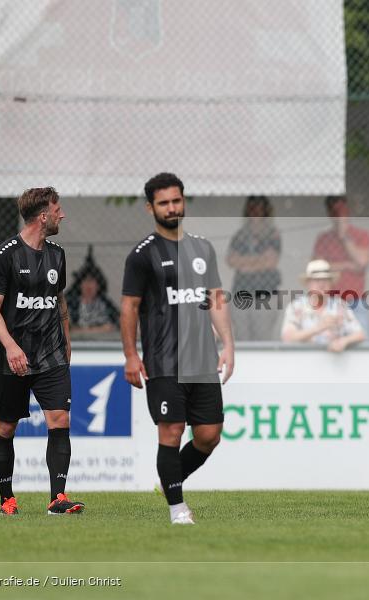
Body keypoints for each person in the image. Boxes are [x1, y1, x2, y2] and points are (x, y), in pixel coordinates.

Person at [121, 172, 234, 525]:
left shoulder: (203, 248)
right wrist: (130, 354)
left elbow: (215, 298)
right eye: (164, 202)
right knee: (170, 431)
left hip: (202, 359)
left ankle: (169, 480)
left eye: (176, 200)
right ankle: (177, 508)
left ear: (183, 201)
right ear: (150, 207)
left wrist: (228, 344)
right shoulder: (142, 255)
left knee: (209, 435)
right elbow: (129, 307)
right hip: (163, 360)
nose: (171, 207)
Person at [0, 187, 84, 517]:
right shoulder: (5, 254)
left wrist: (66, 339)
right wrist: (11, 346)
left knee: (60, 420)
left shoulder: (57, 254)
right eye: (58, 210)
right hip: (12, 358)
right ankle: (6, 499)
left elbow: (59, 299)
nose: (62, 215)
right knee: (5, 428)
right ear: (43, 216)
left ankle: (58, 498)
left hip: (51, 353)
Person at [312, 196, 369, 335]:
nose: (338, 216)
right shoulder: (324, 238)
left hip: (355, 300)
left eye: (342, 211)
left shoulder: (361, 235)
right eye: (334, 212)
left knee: (361, 341)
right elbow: (317, 268)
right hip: (330, 300)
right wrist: (347, 265)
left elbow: (362, 262)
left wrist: (344, 236)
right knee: (328, 340)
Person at [226, 196, 281, 341]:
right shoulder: (241, 235)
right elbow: (231, 260)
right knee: (242, 337)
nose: (255, 211)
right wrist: (259, 260)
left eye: (259, 207)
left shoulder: (272, 234)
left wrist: (245, 264)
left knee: (262, 337)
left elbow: (271, 261)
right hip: (241, 292)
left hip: (266, 293)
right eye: (252, 207)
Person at [280, 260, 365, 352]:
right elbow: (287, 337)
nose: (321, 284)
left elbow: (360, 334)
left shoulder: (339, 306)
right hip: (304, 361)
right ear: (308, 283)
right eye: (317, 280)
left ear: (331, 284)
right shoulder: (296, 306)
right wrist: (319, 327)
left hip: (333, 363)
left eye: (325, 280)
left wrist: (343, 341)